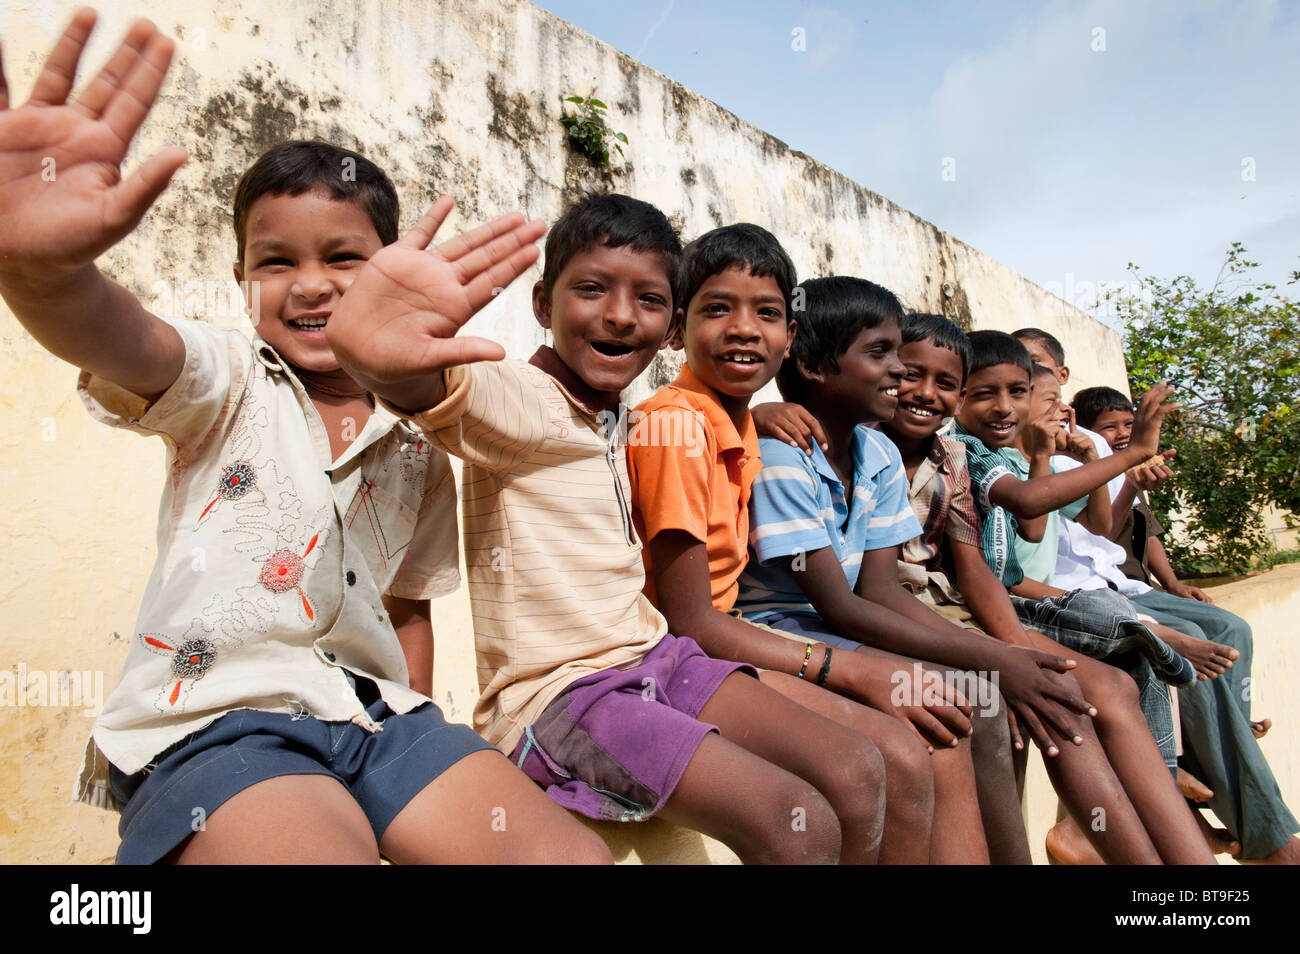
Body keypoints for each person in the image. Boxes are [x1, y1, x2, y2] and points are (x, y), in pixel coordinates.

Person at [0, 12, 612, 864]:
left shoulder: (420, 437)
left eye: (345, 257)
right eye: (276, 262)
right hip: (221, 719)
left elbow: (406, 607)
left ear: (397, 266)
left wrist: (413, 759)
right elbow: (115, 333)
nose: (312, 285)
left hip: (375, 722)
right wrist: (40, 275)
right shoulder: (225, 379)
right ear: (240, 281)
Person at [327, 192, 896, 864]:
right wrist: (374, 349)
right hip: (562, 697)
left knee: (858, 768)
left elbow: (688, 410)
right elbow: (430, 387)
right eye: (592, 289)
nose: (621, 316)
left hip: (655, 659)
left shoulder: (615, 411)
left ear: (671, 326)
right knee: (793, 816)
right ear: (543, 304)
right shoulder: (521, 401)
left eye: (648, 301)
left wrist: (760, 413)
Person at [629, 240, 1017, 863]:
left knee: (962, 712)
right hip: (704, 647)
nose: (744, 330)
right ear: (678, 326)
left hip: (738, 638)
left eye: (768, 313)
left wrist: (761, 414)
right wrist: (858, 671)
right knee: (897, 749)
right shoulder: (679, 427)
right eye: (717, 309)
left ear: (788, 338)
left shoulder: (743, 425)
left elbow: (879, 591)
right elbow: (695, 622)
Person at [875, 315, 1215, 864]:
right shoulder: (877, 449)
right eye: (911, 375)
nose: (1005, 407)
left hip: (973, 613)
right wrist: (1129, 456)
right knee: (1027, 704)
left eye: (1018, 392)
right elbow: (1027, 512)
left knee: (1105, 689)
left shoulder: (953, 457)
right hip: (929, 622)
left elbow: (984, 565)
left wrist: (1018, 654)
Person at [1071, 386, 1300, 864]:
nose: (1120, 435)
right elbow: (1098, 538)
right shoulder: (1076, 468)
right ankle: (1262, 834)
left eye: (1127, 427)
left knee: (1233, 628)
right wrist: (1126, 477)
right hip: (1102, 595)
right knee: (1186, 645)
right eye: (1110, 427)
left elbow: (1142, 533)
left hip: (1131, 590)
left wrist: (1174, 582)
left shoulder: (1109, 470)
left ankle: (1230, 724)